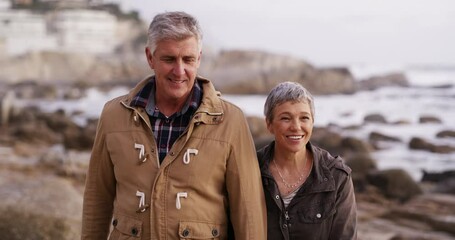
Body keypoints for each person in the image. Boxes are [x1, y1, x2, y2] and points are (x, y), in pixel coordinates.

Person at [82, 11, 266, 240]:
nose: (179, 71)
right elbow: (97, 199)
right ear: (150, 57)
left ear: (199, 58)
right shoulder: (113, 115)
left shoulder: (230, 120)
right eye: (169, 59)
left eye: (188, 59)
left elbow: (248, 211)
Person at [257, 81, 357, 239]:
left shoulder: (337, 177)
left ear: (312, 122)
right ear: (269, 124)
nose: (296, 127)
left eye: (304, 118)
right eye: (285, 118)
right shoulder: (250, 169)